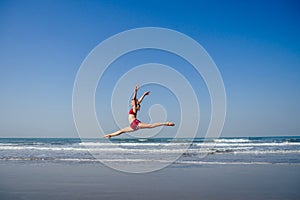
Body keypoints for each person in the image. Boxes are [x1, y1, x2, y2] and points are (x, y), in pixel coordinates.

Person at [105, 85, 175, 138]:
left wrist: (135, 91)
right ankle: (110, 135)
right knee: (121, 131)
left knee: (150, 126)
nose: (131, 102)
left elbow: (136, 100)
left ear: (134, 103)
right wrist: (144, 95)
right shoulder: (135, 107)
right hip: (133, 126)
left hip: (135, 123)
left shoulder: (134, 108)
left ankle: (166, 123)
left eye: (132, 101)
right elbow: (139, 101)